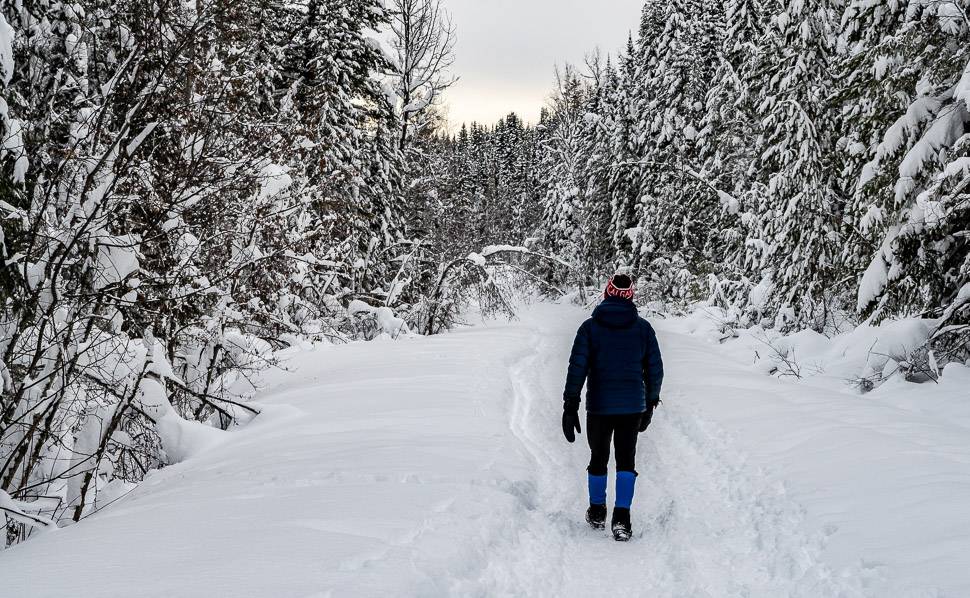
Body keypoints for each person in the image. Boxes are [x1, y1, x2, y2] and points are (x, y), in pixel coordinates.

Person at [561, 273, 664, 541]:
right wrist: (650, 403)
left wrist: (571, 404)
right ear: (631, 295)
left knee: (598, 458)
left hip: (600, 406)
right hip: (632, 407)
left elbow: (577, 368)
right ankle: (622, 519)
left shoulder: (589, 328)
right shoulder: (643, 329)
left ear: (607, 293)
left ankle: (597, 512)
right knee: (626, 461)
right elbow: (655, 370)